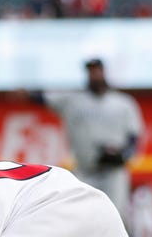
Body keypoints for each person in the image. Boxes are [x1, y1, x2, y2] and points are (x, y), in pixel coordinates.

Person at [18, 58, 144, 226]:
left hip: (114, 171)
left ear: (104, 72)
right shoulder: (73, 100)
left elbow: (134, 137)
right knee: (81, 214)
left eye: (97, 70)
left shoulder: (124, 103)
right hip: (85, 169)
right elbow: (44, 97)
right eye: (91, 71)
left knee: (116, 216)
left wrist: (125, 155)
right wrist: (27, 94)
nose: (95, 75)